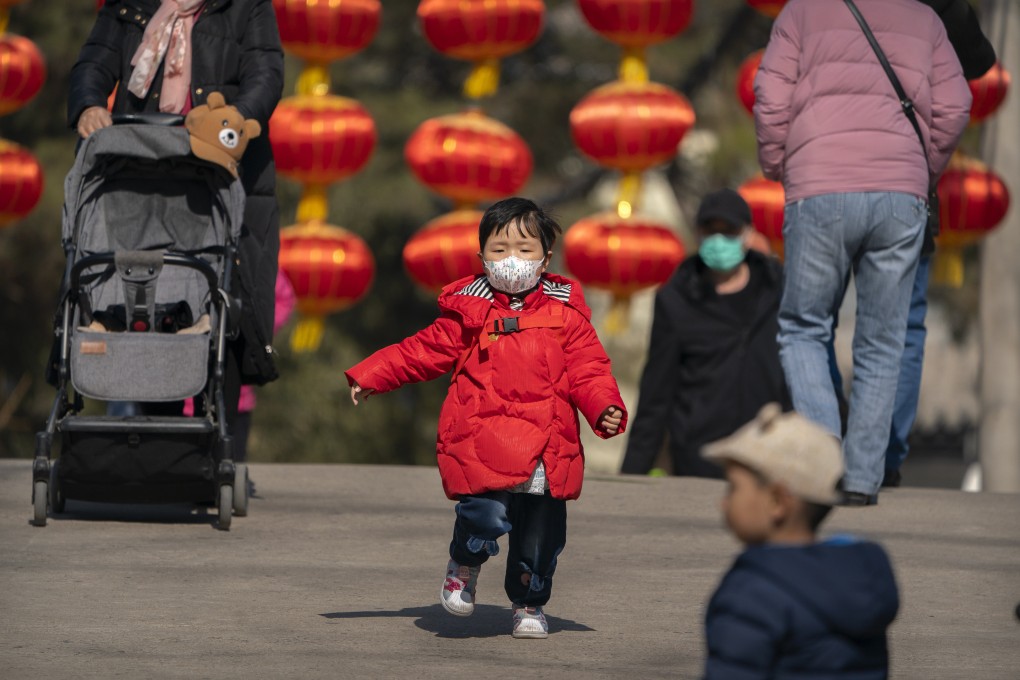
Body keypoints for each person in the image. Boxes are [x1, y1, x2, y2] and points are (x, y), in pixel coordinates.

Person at [345, 197, 627, 639]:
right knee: (484, 517)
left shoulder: (567, 316)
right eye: (499, 250)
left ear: (546, 258)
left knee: (540, 540)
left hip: (546, 450)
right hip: (483, 441)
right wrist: (372, 375)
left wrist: (604, 408)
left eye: (524, 248)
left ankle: (529, 603)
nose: (511, 259)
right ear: (481, 258)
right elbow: (420, 352)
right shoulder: (469, 313)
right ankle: (465, 564)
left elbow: (590, 371)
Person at [753, 0, 972, 505]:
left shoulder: (801, 13)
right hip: (901, 195)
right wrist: (923, 168)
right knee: (883, 340)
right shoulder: (925, 18)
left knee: (804, 327)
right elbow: (956, 105)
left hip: (819, 186)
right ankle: (862, 476)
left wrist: (777, 165)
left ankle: (825, 446)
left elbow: (770, 95)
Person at [67, 0, 285, 426]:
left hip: (224, 171)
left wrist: (234, 120)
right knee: (146, 295)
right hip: (144, 172)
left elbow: (266, 74)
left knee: (227, 300)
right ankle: (155, 440)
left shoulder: (247, 6)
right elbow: (92, 62)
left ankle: (215, 439)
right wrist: (89, 105)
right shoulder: (129, 4)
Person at [828, 0, 999, 489]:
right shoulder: (935, 7)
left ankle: (830, 442)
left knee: (810, 319)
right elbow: (978, 66)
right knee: (903, 325)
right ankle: (880, 451)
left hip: (829, 181)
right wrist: (931, 161)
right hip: (906, 186)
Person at [701, 403, 900, 679]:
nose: (723, 503)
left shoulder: (750, 594)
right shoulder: (861, 582)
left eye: (734, 487)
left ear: (777, 502)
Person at [620, 188, 789, 478]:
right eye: (711, 231)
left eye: (730, 231)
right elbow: (656, 392)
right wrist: (631, 475)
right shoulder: (675, 299)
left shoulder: (778, 289)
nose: (720, 240)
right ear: (698, 234)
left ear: (748, 234)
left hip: (771, 449)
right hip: (700, 458)